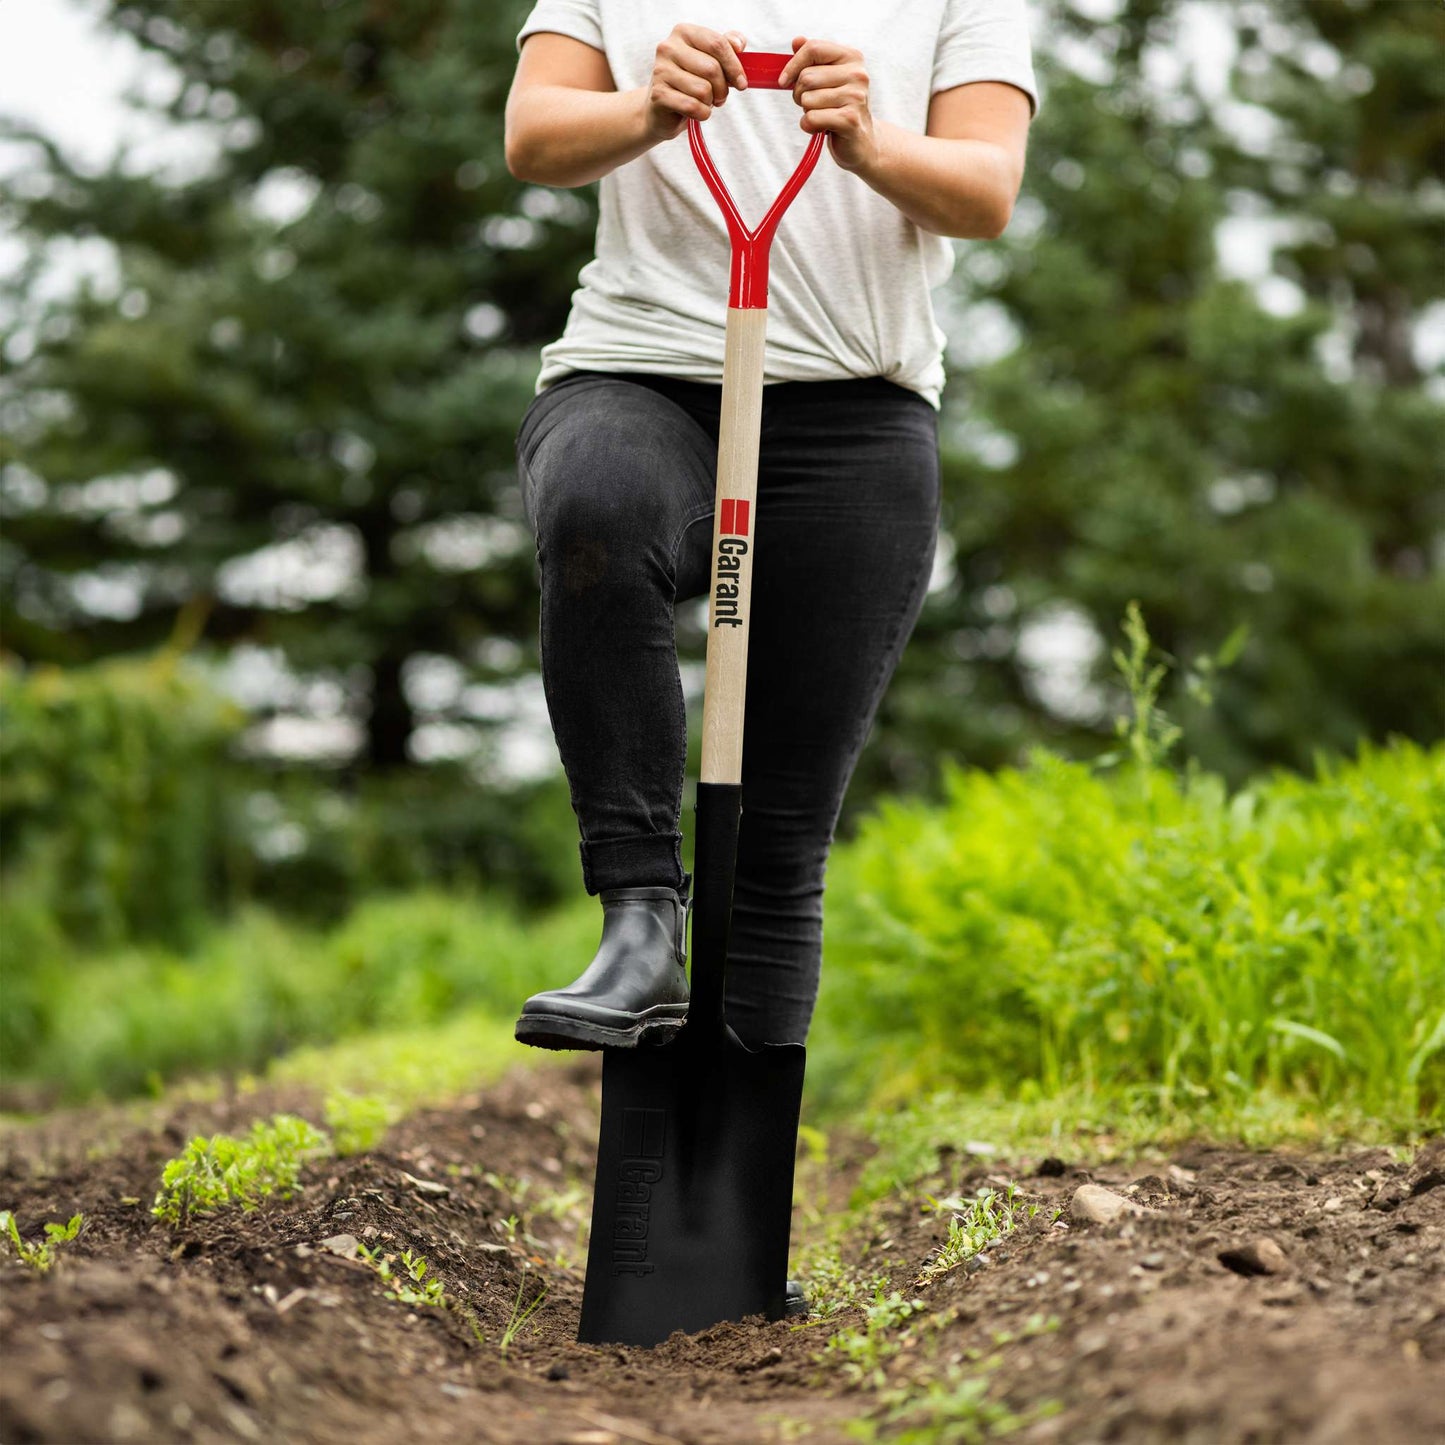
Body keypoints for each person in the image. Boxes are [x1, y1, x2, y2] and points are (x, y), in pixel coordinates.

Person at [505, 3, 1036, 1052]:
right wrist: (647, 108)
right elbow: (534, 137)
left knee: (777, 835)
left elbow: (985, 190)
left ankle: (730, 1178)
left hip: (855, 402)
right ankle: (639, 920)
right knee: (596, 512)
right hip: (640, 367)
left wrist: (871, 142)